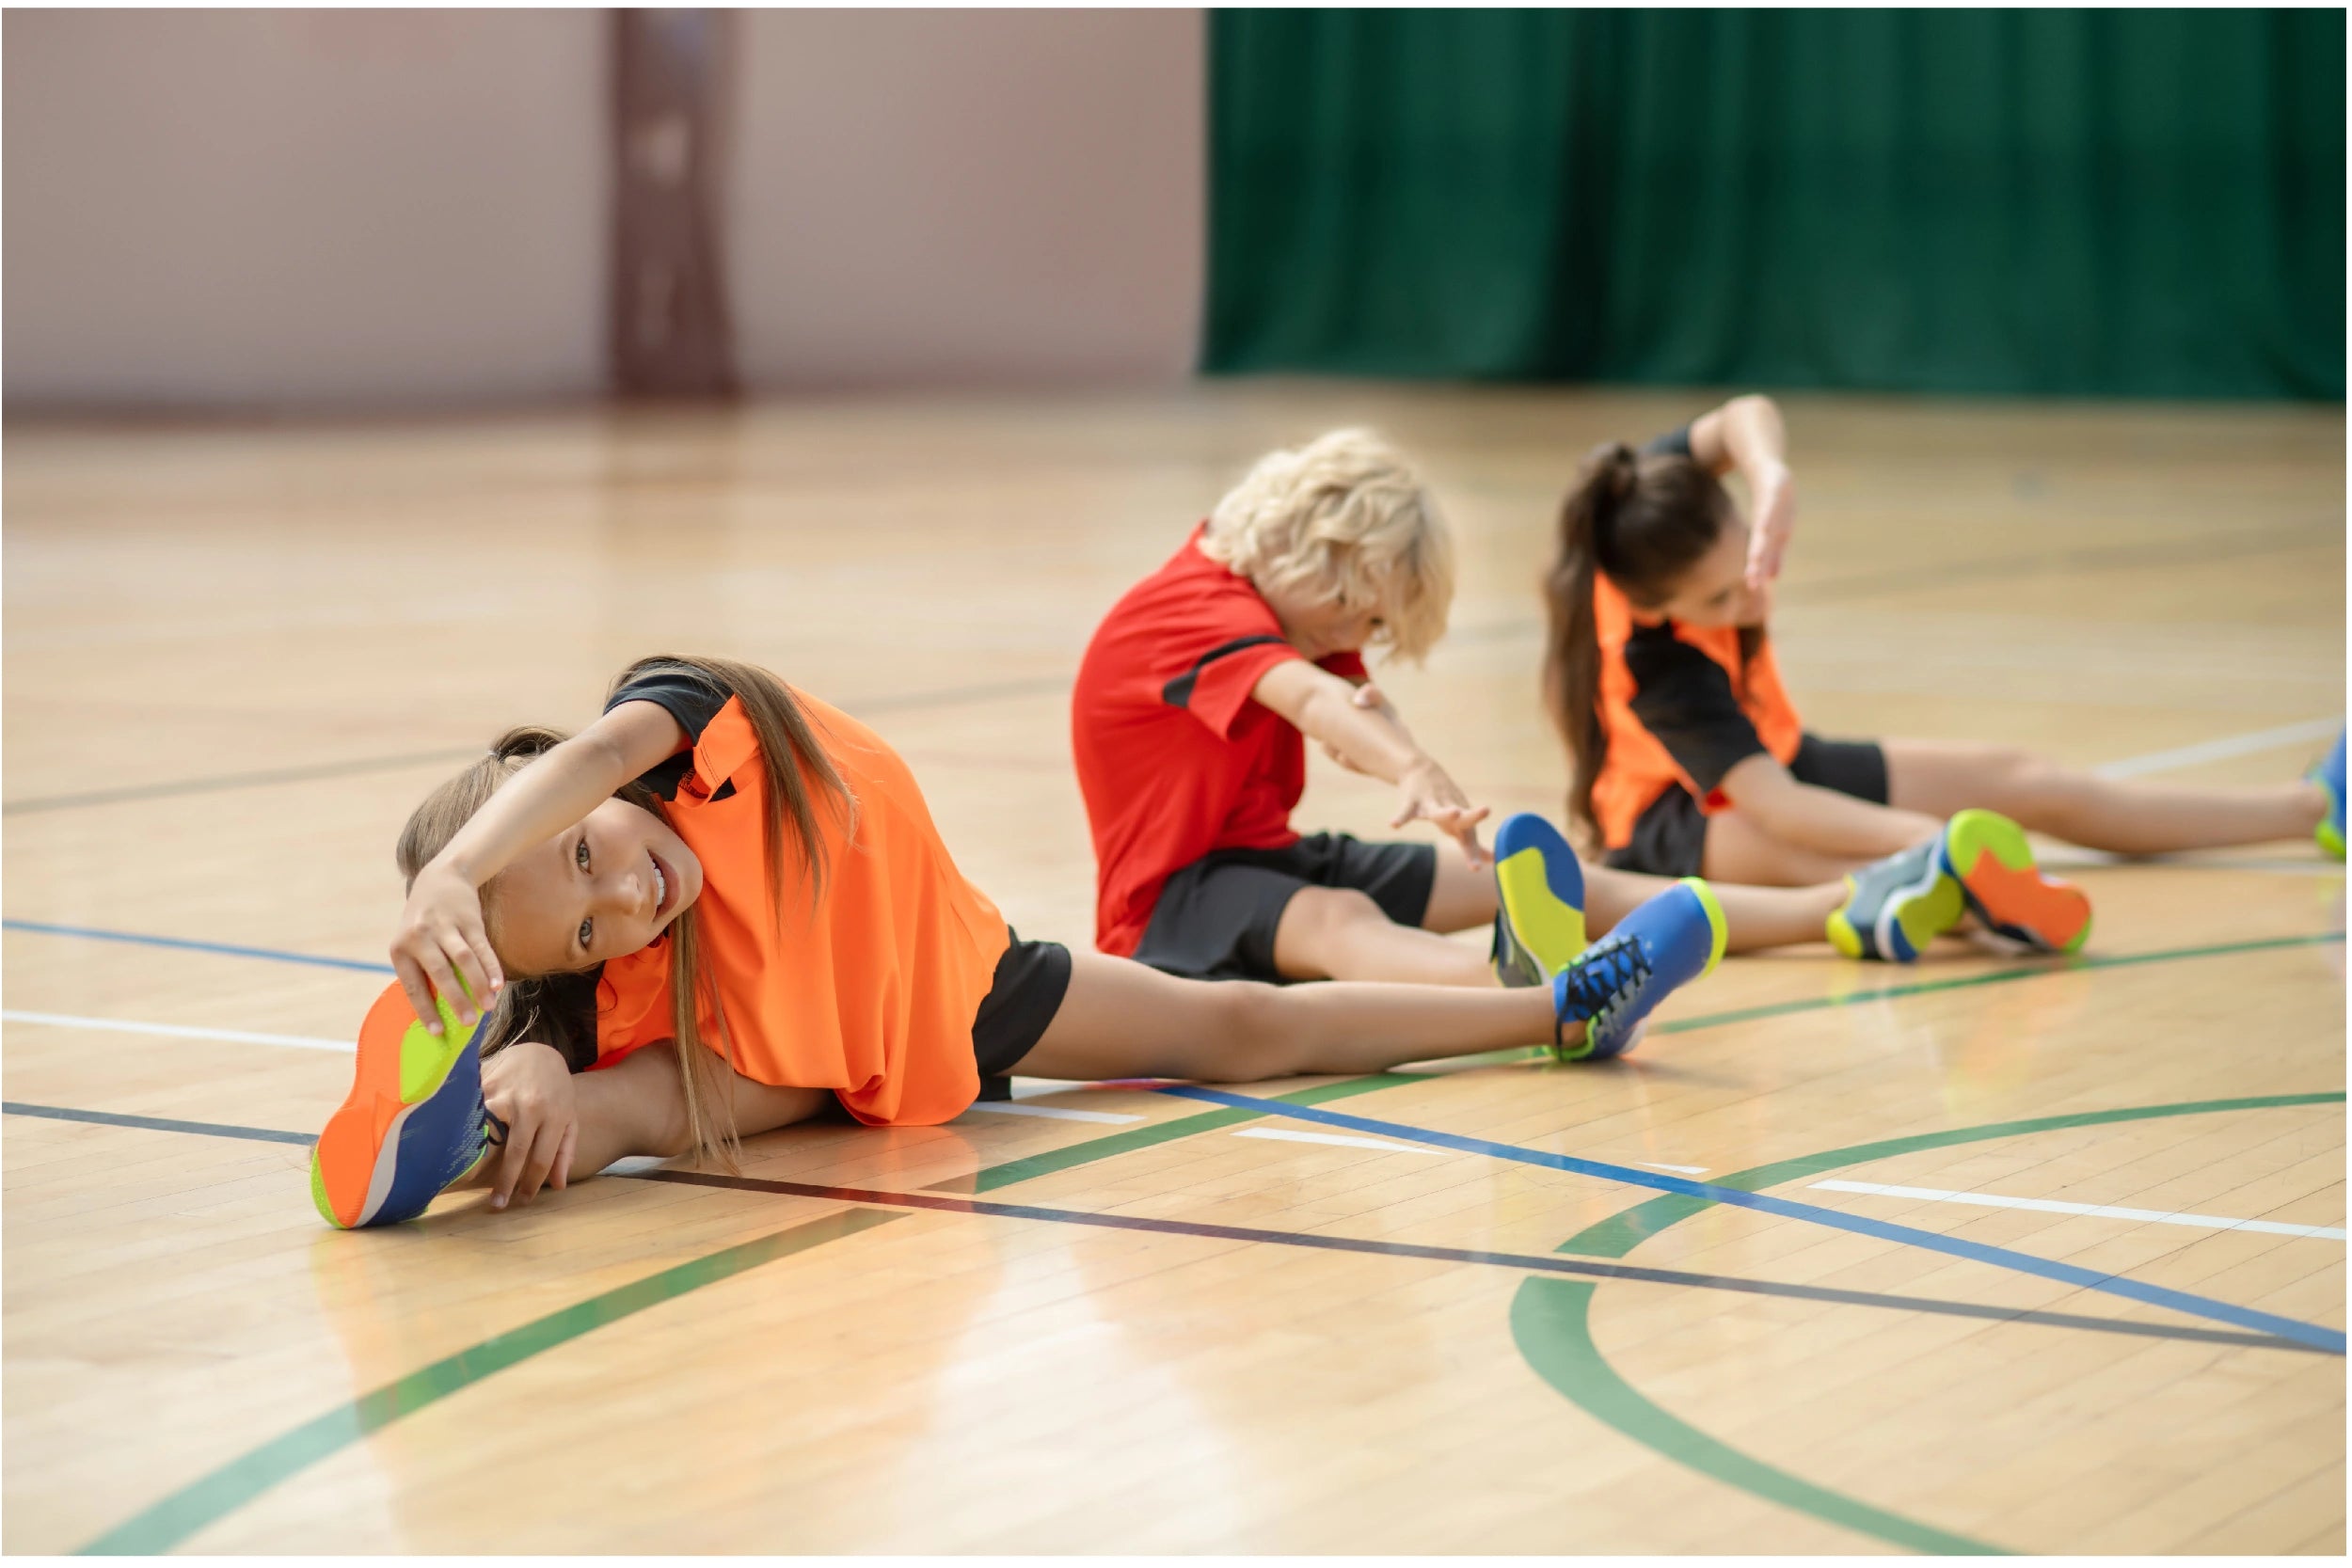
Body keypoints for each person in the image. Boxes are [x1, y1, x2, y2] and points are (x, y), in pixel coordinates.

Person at [310, 655, 1727, 1229]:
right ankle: (472, 1133)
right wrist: (549, 1066)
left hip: (958, 985)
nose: (629, 899)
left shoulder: (684, 723)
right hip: (802, 1065)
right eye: (591, 923)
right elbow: (624, 1009)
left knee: (1245, 1025)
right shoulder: (636, 964)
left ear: (581, 786)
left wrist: (457, 867)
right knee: (617, 1095)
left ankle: (1558, 1010)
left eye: (586, 856)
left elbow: (605, 748)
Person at [1072, 427, 1991, 983]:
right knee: (1339, 921)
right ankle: (1534, 994)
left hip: (1260, 859)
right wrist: (1413, 767)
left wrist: (1437, 797)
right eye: (1362, 610)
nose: (1359, 631)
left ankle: (1853, 904)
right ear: (1325, 553)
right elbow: (1312, 699)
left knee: (1553, 879)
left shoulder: (1290, 608)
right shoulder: (1193, 607)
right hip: (1168, 906)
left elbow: (1356, 704)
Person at [1540, 393, 2345, 958]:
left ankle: (2316, 805)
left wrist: (1769, 473)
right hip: (1675, 826)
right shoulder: (1659, 665)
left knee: (2023, 779)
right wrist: (1926, 835)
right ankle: (1951, 894)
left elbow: (1746, 413)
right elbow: (1780, 807)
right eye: (1719, 596)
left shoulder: (1645, 495)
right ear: (1657, 604)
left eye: (1744, 555)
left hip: (1773, 756)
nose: (1752, 590)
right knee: (1868, 867)